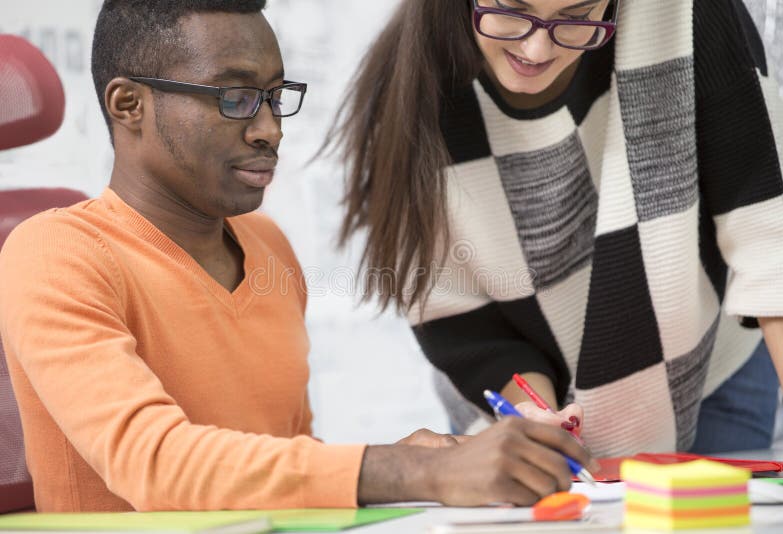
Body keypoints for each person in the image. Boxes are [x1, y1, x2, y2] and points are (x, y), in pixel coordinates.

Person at [0, 0, 595, 513]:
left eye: (275, 96)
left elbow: (285, 462)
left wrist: (418, 462)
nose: (269, 128)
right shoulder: (55, 252)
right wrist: (409, 472)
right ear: (129, 104)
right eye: (235, 97)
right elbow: (154, 464)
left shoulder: (267, 246)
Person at [330, 0, 783, 455]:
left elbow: (767, 230)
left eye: (577, 17)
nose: (536, 50)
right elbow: (468, 330)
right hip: (510, 399)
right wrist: (534, 416)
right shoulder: (409, 89)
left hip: (707, 363)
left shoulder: (685, 11)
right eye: (512, 9)